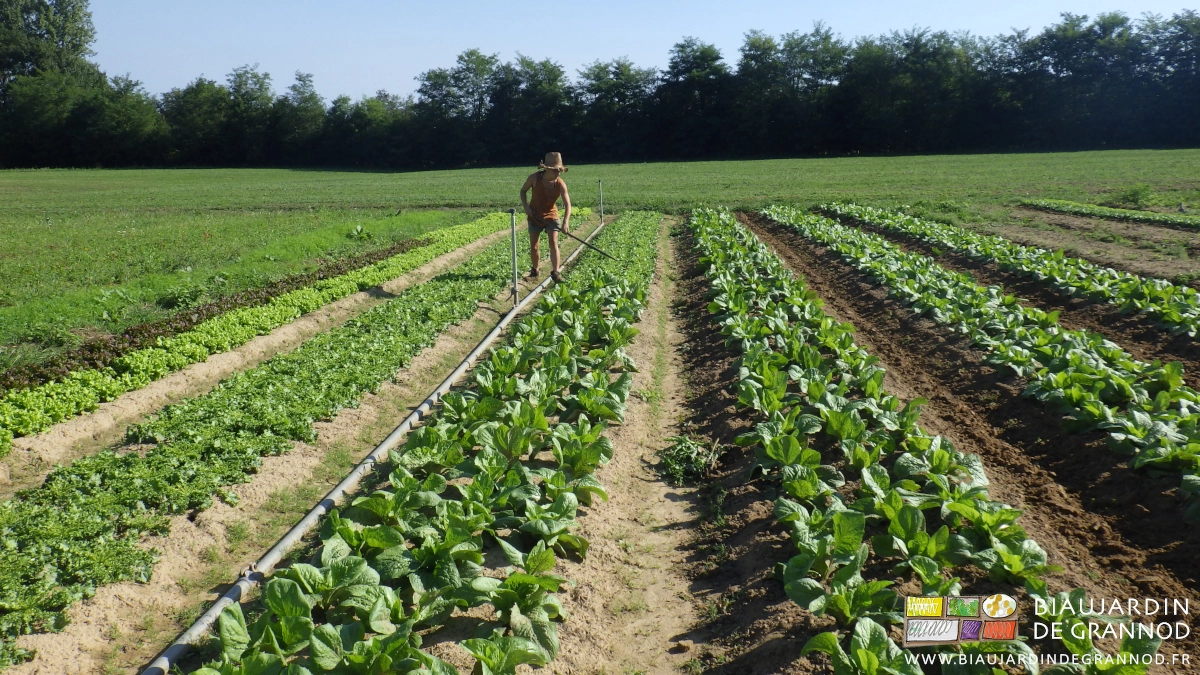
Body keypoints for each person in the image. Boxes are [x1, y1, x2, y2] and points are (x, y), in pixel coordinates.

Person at [519, 152, 572, 282]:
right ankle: (535, 272)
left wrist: (565, 222)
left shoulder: (560, 184)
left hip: (551, 216)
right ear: (547, 169)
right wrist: (526, 207)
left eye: (559, 170)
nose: (558, 173)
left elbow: (567, 204)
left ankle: (556, 272)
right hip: (535, 215)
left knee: (553, 242)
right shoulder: (534, 178)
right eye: (555, 170)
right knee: (534, 246)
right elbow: (523, 191)